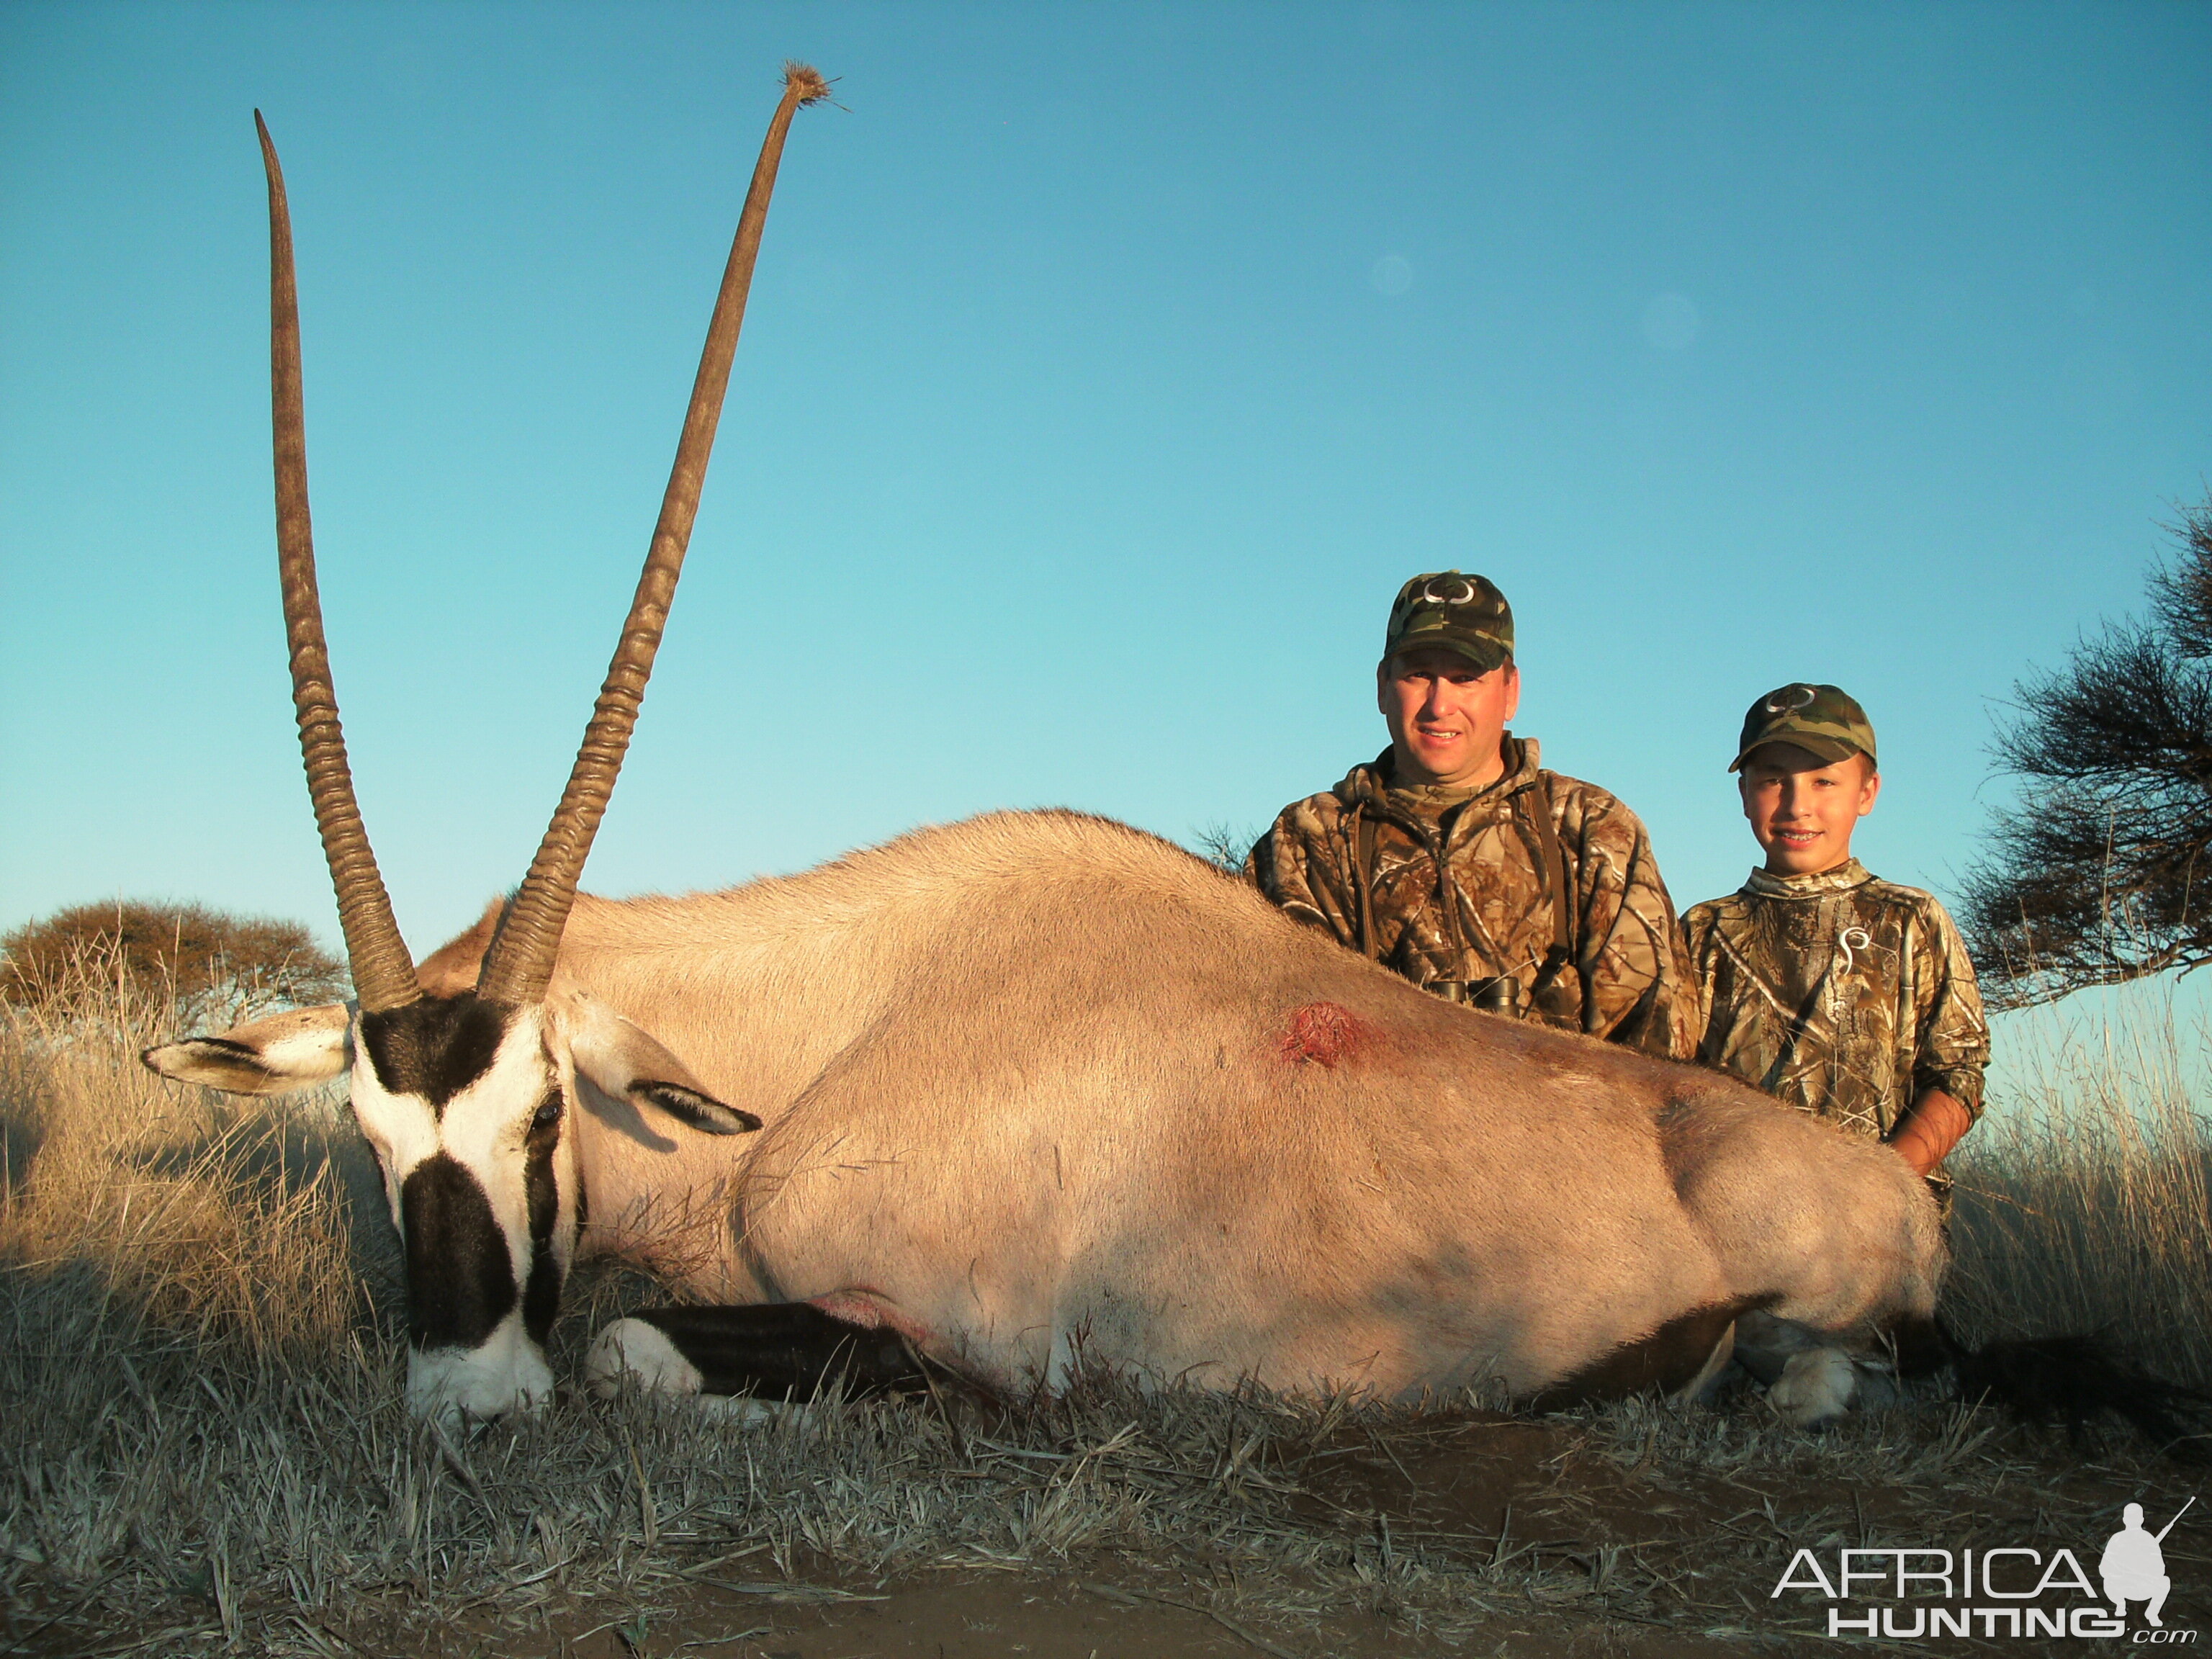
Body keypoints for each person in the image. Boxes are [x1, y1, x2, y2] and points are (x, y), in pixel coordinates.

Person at [1245, 570, 1693, 1057]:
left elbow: (1659, 1050)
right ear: (1382, 686)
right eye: (1419, 675)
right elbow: (1267, 1030)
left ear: (1511, 691)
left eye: (1466, 678)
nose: (1441, 704)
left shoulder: (1593, 830)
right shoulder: (1307, 840)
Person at [1679, 684, 1988, 1184]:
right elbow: (1670, 1087)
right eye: (1774, 780)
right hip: (1733, 1224)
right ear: (1744, 794)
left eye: (1825, 782)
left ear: (1867, 793)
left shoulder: (1912, 919)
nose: (1797, 806)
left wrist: (1882, 1187)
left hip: (1881, 1235)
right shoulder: (1703, 931)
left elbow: (1959, 1078)